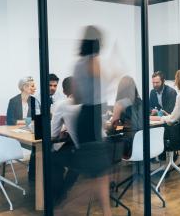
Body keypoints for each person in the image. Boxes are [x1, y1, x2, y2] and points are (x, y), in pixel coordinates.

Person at [72, 25, 112, 216]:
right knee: (98, 174)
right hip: (91, 120)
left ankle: (106, 213)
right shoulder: (92, 61)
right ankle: (64, 208)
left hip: (87, 118)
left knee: (99, 175)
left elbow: (78, 97)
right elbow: (101, 80)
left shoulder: (78, 63)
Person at [50, 77, 81, 204]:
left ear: (63, 91)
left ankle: (61, 193)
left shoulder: (62, 104)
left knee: (53, 159)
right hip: (106, 149)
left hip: (83, 151)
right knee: (70, 150)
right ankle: (64, 190)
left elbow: (53, 134)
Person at [6, 76, 40, 181]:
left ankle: (35, 172)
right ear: (24, 87)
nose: (35, 88)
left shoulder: (34, 100)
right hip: (15, 135)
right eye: (32, 86)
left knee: (38, 146)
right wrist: (28, 121)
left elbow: (37, 118)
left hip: (28, 131)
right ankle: (33, 173)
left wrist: (27, 122)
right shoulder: (13, 101)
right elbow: (10, 121)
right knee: (36, 147)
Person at [110, 76, 143, 158]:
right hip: (143, 141)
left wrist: (109, 126)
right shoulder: (140, 101)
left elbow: (115, 127)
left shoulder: (120, 104)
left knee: (108, 133)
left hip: (129, 144)